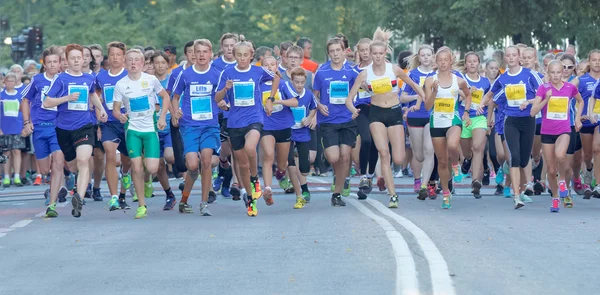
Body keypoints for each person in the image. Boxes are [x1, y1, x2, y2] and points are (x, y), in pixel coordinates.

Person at [346, 28, 425, 208]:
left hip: (394, 113)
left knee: (398, 159)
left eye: (381, 53)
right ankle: (393, 195)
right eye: (375, 53)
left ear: (385, 53)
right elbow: (349, 98)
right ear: (370, 54)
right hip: (376, 114)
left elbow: (415, 86)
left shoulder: (394, 69)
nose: (378, 56)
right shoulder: (365, 73)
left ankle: (391, 177)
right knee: (383, 153)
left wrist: (422, 102)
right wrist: (353, 109)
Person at [215, 40, 279, 216]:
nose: (242, 58)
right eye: (239, 55)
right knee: (242, 164)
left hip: (254, 118)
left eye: (246, 55)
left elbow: (277, 78)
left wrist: (270, 99)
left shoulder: (258, 71)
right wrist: (225, 89)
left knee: (251, 147)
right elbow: (217, 98)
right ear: (235, 56)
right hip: (235, 122)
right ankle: (250, 200)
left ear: (251, 56)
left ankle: (254, 179)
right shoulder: (227, 73)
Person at [44, 43, 108, 218]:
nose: (77, 61)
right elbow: (47, 102)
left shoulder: (89, 78)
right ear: (67, 60)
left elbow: (92, 94)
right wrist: (66, 98)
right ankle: (75, 184)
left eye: (79, 58)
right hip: (64, 128)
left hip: (85, 125)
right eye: (73, 58)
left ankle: (79, 198)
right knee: (73, 166)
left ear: (83, 59)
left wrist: (100, 109)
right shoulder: (61, 79)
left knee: (84, 159)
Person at [112, 49, 170, 219]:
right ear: (125, 63)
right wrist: (120, 115)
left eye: (137, 60)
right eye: (130, 60)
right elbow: (115, 109)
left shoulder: (151, 80)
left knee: (151, 168)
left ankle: (145, 180)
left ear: (143, 63)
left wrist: (162, 117)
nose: (133, 63)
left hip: (150, 128)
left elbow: (165, 97)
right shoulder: (121, 84)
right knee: (136, 167)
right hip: (133, 130)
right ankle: (141, 205)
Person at [483, 45, 543, 209]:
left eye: (513, 55)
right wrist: (481, 104)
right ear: (506, 58)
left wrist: (529, 102)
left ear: (519, 57)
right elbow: (491, 94)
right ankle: (516, 195)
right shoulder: (502, 79)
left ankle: (522, 189)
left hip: (528, 120)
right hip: (511, 121)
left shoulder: (530, 75)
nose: (510, 58)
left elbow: (544, 92)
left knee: (524, 159)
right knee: (514, 158)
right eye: (508, 55)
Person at [171, 39, 223, 215]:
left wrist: (223, 104)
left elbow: (221, 96)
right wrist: (175, 111)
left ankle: (204, 203)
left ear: (210, 54)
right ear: (193, 54)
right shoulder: (185, 74)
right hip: (190, 126)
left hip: (210, 125)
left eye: (205, 52)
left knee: (207, 161)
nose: (201, 55)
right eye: (198, 52)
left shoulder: (217, 74)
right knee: (193, 166)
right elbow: (175, 96)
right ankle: (184, 200)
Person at [21, 46, 70, 216]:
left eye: (55, 62)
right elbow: (25, 101)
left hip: (58, 127)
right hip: (40, 128)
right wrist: (27, 122)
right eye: (49, 62)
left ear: (60, 63)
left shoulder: (65, 80)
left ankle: (52, 204)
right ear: (44, 64)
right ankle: (58, 183)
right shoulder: (37, 80)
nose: (52, 65)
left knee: (57, 161)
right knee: (43, 170)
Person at [530, 60, 583, 212]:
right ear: (548, 72)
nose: (555, 75)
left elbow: (580, 102)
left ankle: (562, 182)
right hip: (547, 132)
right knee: (551, 170)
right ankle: (555, 197)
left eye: (558, 72)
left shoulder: (570, 87)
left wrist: (578, 118)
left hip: (564, 130)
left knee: (560, 155)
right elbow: (533, 112)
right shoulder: (543, 88)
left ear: (563, 73)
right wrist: (546, 99)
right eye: (552, 72)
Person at [423, 47, 472, 209]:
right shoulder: (430, 80)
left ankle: (456, 165)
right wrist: (434, 92)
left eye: (446, 60)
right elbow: (427, 106)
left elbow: (468, 94)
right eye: (440, 60)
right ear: (436, 62)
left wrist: (465, 112)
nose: (443, 63)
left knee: (452, 145)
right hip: (436, 122)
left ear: (451, 61)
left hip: (453, 120)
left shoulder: (458, 80)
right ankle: (445, 193)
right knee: (442, 161)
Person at [313, 37, 359, 206]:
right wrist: (318, 106)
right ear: (328, 53)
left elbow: (362, 89)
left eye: (338, 50)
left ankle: (337, 194)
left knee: (345, 158)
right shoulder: (322, 72)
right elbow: (314, 95)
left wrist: (355, 107)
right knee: (334, 158)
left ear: (344, 51)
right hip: (328, 121)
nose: (335, 54)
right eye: (332, 51)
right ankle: (334, 170)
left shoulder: (352, 71)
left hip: (347, 119)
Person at [95, 41, 132, 211]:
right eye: (112, 55)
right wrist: (98, 115)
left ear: (124, 57)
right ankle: (114, 197)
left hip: (127, 122)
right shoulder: (101, 77)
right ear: (107, 57)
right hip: (108, 123)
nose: (115, 58)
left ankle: (125, 176)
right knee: (110, 154)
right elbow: (96, 98)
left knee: (127, 159)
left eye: (118, 55)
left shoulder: (129, 75)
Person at [259, 56, 298, 205]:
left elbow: (295, 101)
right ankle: (268, 189)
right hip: (266, 126)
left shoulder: (283, 84)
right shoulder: (258, 85)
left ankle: (281, 173)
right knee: (268, 155)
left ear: (277, 67)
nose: (269, 67)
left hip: (283, 125)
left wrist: (277, 101)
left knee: (283, 164)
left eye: (272, 65)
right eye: (266, 65)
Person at [401, 45, 437, 199]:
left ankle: (425, 184)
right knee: (419, 155)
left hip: (432, 116)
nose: (426, 57)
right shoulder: (412, 75)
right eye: (423, 55)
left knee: (430, 150)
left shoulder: (438, 75)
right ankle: (420, 178)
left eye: (429, 55)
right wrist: (417, 97)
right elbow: (402, 98)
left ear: (433, 57)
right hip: (415, 117)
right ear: (419, 57)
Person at [460, 52, 491, 199]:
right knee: (468, 152)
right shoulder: (461, 80)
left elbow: (490, 101)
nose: (472, 64)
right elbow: (453, 94)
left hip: (479, 118)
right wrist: (465, 93)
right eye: (469, 61)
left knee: (478, 147)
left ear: (479, 64)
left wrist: (490, 119)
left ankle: (475, 182)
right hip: (464, 118)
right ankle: (467, 159)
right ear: (465, 64)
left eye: (475, 61)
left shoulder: (485, 82)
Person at [149, 50, 177, 209]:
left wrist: (175, 115)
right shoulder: (148, 81)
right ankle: (169, 195)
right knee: (158, 165)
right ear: (152, 64)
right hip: (152, 128)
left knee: (170, 157)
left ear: (168, 64)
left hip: (168, 125)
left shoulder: (171, 80)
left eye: (163, 63)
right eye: (157, 63)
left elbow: (175, 99)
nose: (160, 66)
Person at [351, 38, 379, 199]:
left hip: (377, 107)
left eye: (367, 50)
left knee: (376, 142)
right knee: (366, 140)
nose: (365, 53)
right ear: (358, 52)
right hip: (361, 109)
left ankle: (370, 175)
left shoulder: (379, 70)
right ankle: (363, 175)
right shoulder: (354, 71)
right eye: (361, 50)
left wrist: (369, 87)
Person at [572, 50, 600, 198]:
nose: (597, 62)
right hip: (586, 122)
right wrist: (577, 116)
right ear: (589, 62)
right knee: (588, 155)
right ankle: (588, 172)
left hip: (599, 121)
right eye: (594, 60)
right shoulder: (581, 80)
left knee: (597, 148)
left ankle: (598, 184)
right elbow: (566, 91)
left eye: (599, 60)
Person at [0, 73, 25, 187]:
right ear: (4, 82)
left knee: (17, 151)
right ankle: (6, 177)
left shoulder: (20, 95)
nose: (10, 83)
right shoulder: (1, 95)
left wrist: (25, 125)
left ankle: (17, 177)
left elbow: (24, 111)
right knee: (6, 153)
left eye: (12, 81)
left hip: (18, 127)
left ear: (15, 82)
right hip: (4, 128)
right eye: (8, 81)